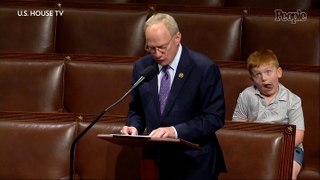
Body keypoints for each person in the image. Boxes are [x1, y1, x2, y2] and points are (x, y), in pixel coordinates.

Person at [120, 13, 226, 180]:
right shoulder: (142, 67)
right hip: (156, 162)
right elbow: (137, 110)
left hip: (195, 163)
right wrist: (134, 127)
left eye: (162, 47)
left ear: (177, 38)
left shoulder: (203, 68)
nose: (157, 54)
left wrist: (175, 131)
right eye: (151, 48)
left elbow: (214, 117)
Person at [232, 49, 305, 179]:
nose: (264, 78)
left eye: (268, 72)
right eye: (257, 74)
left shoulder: (293, 100)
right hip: (255, 145)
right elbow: (237, 125)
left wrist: (274, 148)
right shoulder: (246, 96)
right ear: (252, 79)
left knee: (288, 174)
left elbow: (298, 134)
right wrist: (257, 145)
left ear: (279, 72)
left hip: (289, 148)